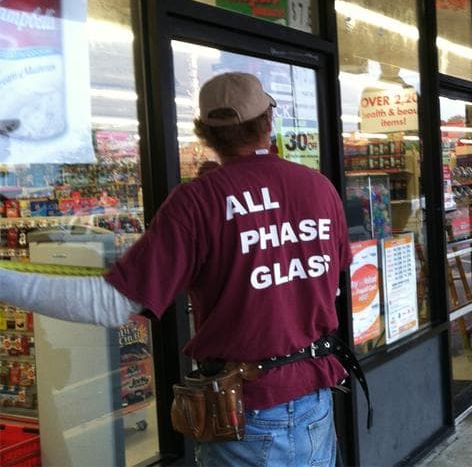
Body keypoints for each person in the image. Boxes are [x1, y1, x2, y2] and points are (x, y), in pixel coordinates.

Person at [0, 72, 353, 466]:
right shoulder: (319, 188)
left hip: (248, 414)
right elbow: (326, 282)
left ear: (204, 134)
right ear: (269, 122)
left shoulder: (197, 202)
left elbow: (108, 304)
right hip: (314, 400)